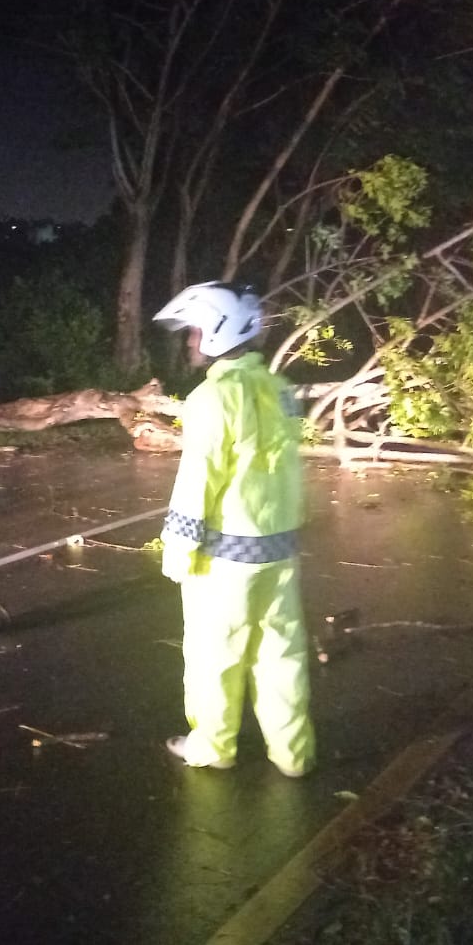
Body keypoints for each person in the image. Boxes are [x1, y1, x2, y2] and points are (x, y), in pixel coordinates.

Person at [151, 282, 315, 776]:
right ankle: (294, 755)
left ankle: (213, 748)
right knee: (282, 656)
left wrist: (177, 552)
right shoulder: (281, 390)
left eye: (195, 331)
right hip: (280, 550)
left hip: (225, 560)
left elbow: (198, 481)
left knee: (213, 658)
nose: (189, 341)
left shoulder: (212, 398)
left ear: (219, 333)